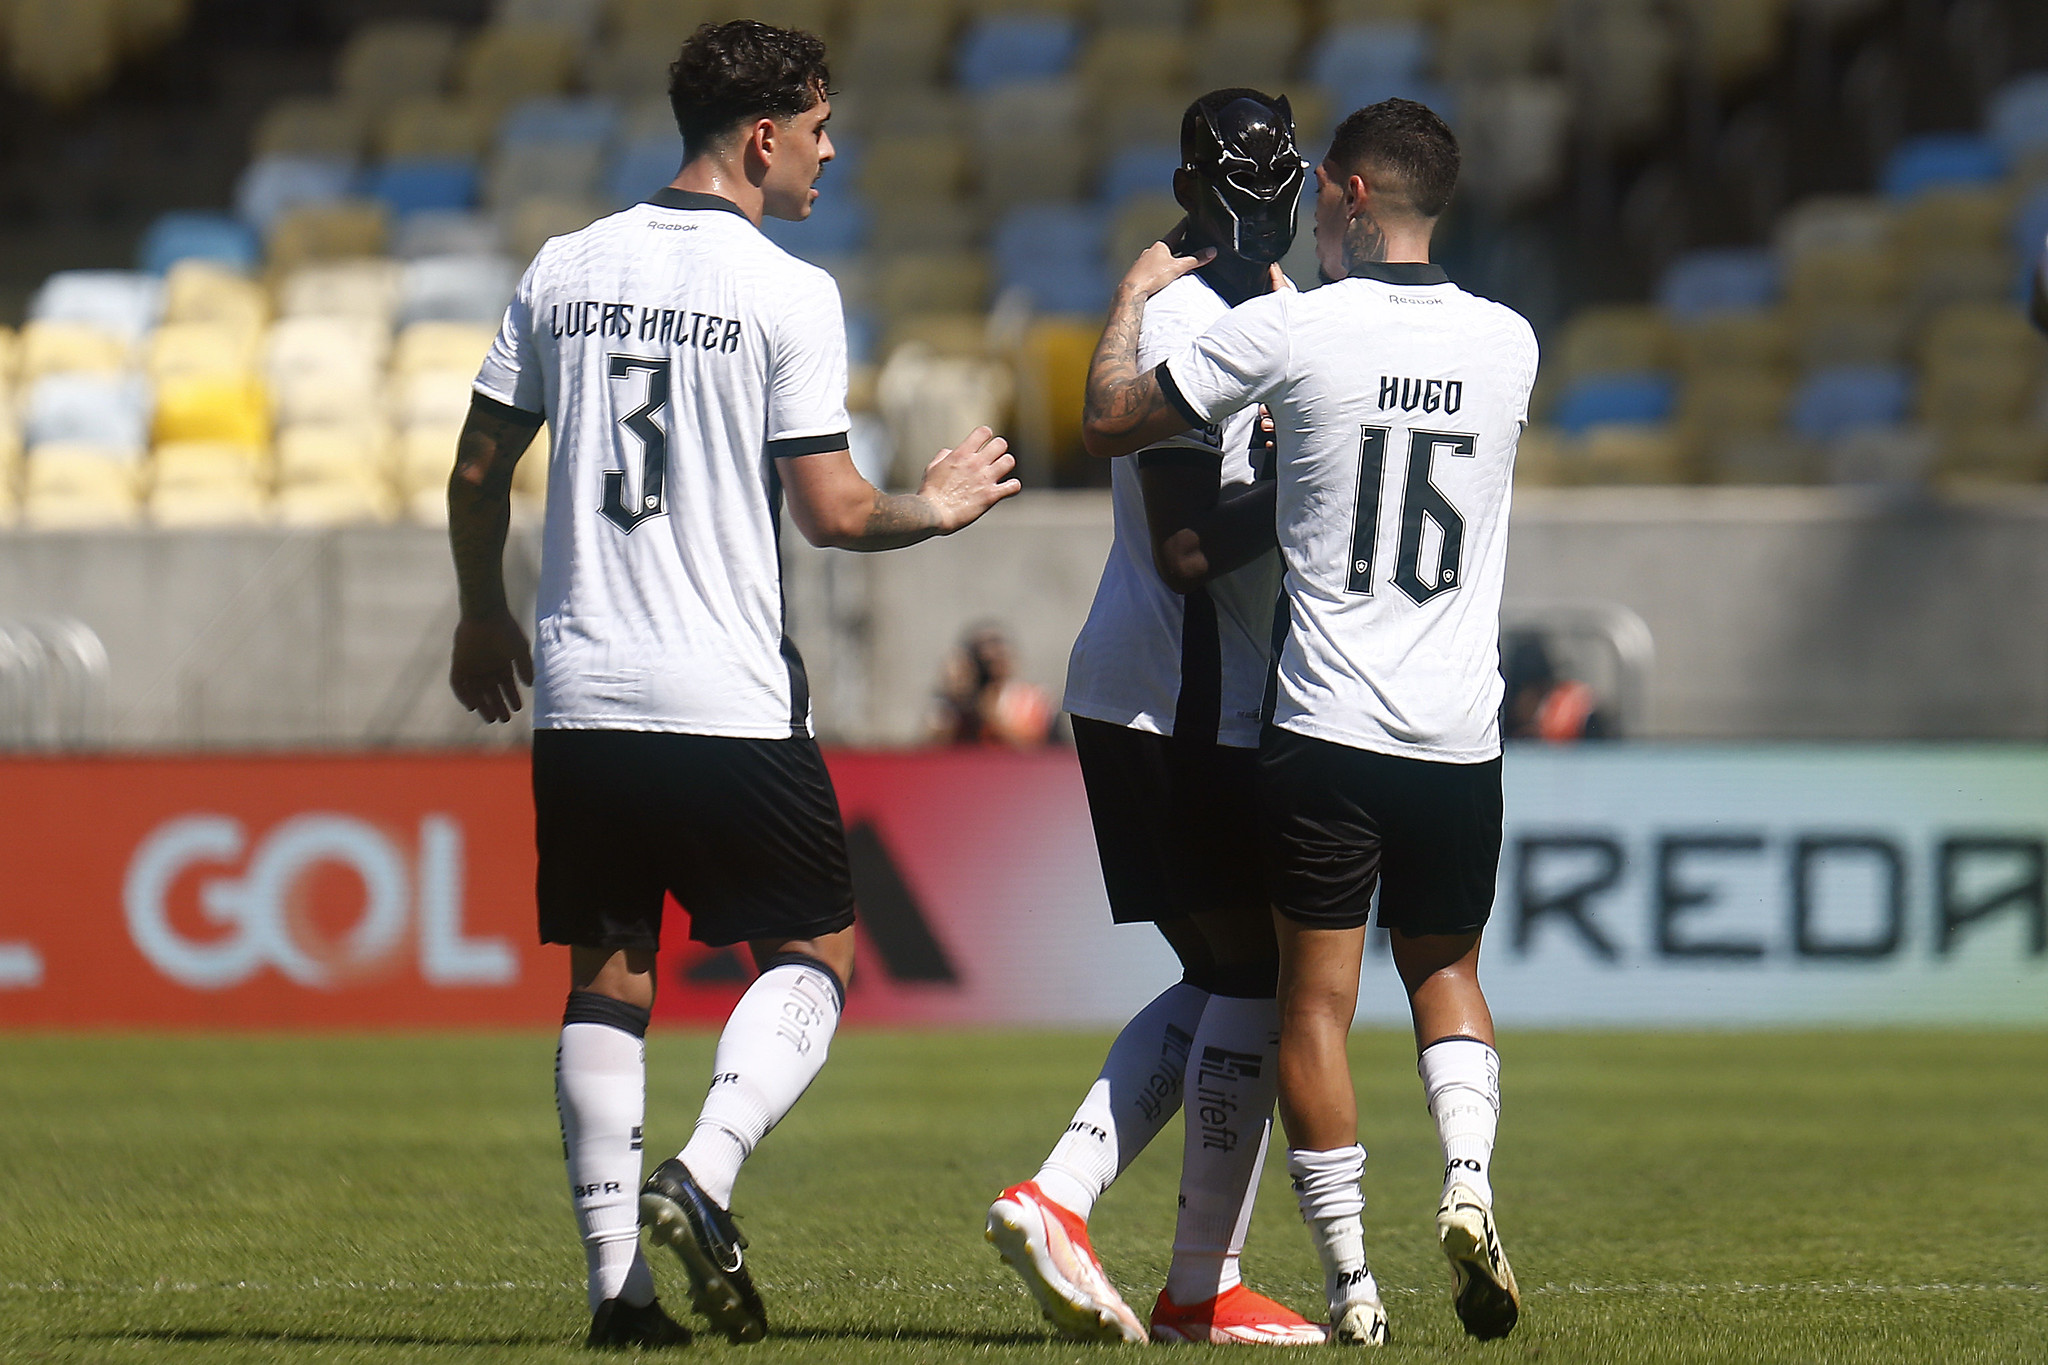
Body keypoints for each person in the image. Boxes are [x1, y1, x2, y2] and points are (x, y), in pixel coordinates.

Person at [444, 20, 1019, 1349]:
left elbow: (479, 473)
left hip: (583, 694)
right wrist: (932, 506)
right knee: (816, 954)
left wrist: (483, 613)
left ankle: (616, 1298)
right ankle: (702, 1174)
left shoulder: (565, 266)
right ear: (764, 135)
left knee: (611, 973)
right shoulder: (785, 290)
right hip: (723, 697)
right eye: (821, 127)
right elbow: (830, 509)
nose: (832, 149)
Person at [1080, 98, 1538, 1347]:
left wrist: (1131, 299)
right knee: (1445, 970)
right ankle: (1467, 1185)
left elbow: (1113, 418)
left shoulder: (1295, 327)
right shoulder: (1510, 343)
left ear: (1338, 193)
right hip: (1458, 728)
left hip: (1325, 724)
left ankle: (1349, 1285)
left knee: (1308, 1009)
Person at [985, 89, 1323, 1347]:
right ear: (1197, 183)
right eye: (1250, 171)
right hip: (1173, 693)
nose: (1267, 191)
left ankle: (1179, 1270)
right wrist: (1303, 488)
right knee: (1250, 970)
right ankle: (1104, 1224)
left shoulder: (1280, 312)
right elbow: (1187, 545)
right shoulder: (1182, 314)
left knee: (1237, 970)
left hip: (1199, 689)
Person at [930, 624, 1055, 749]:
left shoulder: (1031, 698)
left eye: (997, 645)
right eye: (981, 648)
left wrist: (984, 711)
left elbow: (1031, 745)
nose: (991, 653)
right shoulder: (954, 707)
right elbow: (935, 746)